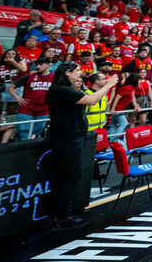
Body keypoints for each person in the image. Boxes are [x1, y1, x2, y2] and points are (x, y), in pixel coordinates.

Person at [46, 62, 118, 230]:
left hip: (73, 138)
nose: (81, 73)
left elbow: (94, 99)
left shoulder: (67, 90)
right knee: (68, 176)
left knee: (69, 176)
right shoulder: (61, 90)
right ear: (67, 72)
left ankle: (60, 214)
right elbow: (91, 100)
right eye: (77, 71)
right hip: (66, 139)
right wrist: (108, 85)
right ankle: (62, 217)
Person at [9, 57, 54, 141]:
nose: (37, 67)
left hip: (44, 110)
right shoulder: (28, 76)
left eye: (40, 65)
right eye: (36, 64)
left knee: (36, 134)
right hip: (26, 109)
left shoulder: (55, 78)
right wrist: (18, 98)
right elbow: (11, 87)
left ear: (48, 65)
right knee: (23, 134)